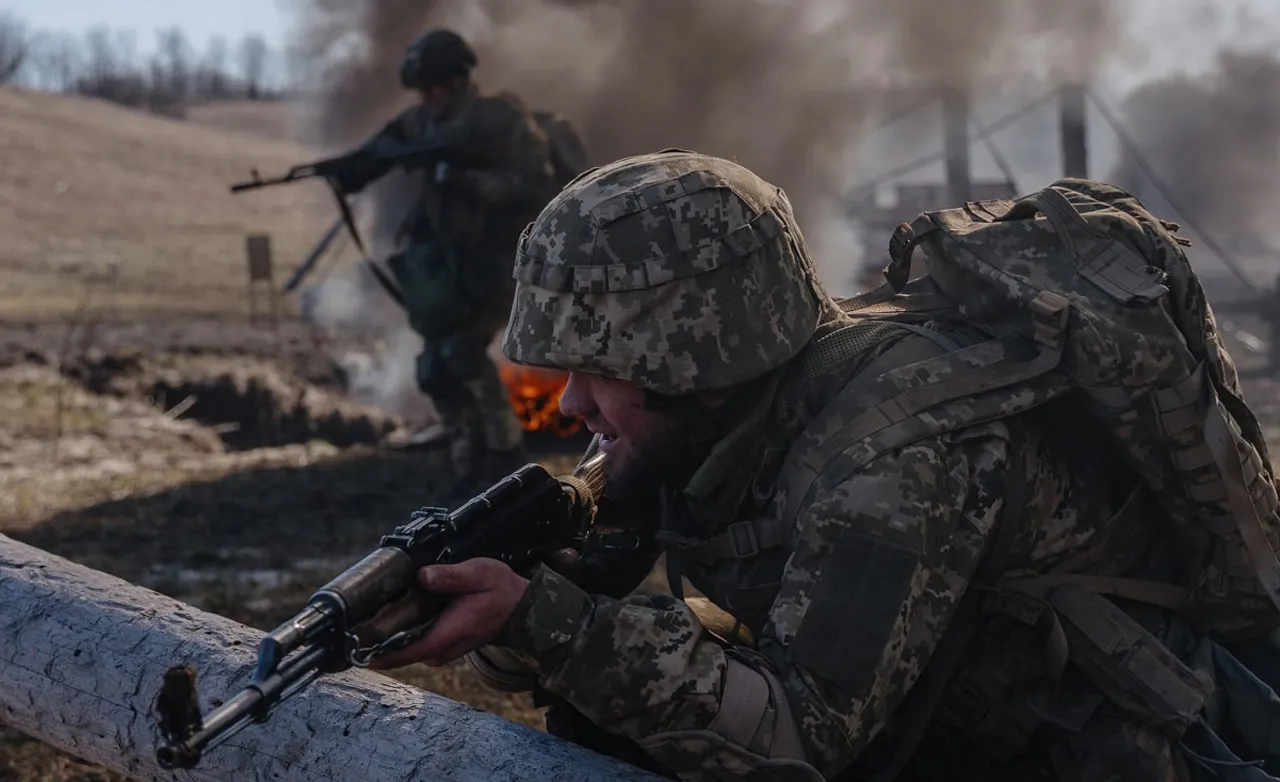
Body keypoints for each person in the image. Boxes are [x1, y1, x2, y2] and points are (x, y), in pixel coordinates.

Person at [368, 151, 1280, 781]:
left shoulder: (891, 457)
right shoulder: (735, 410)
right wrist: (540, 590)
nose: (570, 406)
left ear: (698, 364)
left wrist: (553, 625)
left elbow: (800, 740)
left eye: (598, 374)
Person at [332, 29, 557, 480]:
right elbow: (375, 154)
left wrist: (459, 177)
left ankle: (506, 461)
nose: (428, 98)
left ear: (457, 80)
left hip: (497, 261)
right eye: (423, 91)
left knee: (462, 354)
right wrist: (346, 173)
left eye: (435, 88)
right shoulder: (419, 124)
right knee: (434, 368)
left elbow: (535, 184)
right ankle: (467, 464)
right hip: (445, 270)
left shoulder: (500, 118)